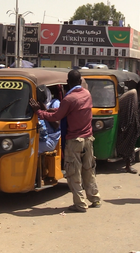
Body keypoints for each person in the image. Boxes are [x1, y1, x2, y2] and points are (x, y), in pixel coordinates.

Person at [29, 70, 101, 212]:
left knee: (73, 173)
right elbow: (65, 112)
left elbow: (57, 116)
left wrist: (39, 111)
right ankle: (95, 198)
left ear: (68, 83)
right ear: (80, 82)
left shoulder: (69, 99)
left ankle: (80, 204)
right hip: (88, 139)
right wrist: (47, 110)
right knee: (88, 170)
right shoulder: (87, 94)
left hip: (74, 141)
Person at [116, 79, 140, 174]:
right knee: (128, 142)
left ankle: (128, 163)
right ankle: (128, 165)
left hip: (132, 124)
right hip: (125, 123)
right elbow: (131, 112)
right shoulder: (132, 94)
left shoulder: (139, 96)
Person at [36, 85, 61, 153]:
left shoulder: (55, 103)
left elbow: (56, 125)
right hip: (38, 137)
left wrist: (43, 109)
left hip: (50, 139)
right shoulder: (35, 105)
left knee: (31, 148)